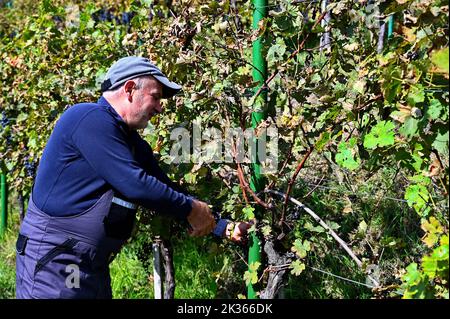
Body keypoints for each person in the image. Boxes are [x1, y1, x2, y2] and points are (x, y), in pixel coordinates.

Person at [15, 56, 249, 299]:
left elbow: (165, 189)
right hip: (57, 263)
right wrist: (191, 209)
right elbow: (136, 184)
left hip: (88, 265)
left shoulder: (130, 142)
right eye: (156, 97)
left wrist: (222, 226)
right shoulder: (87, 118)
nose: (160, 107)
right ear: (129, 89)